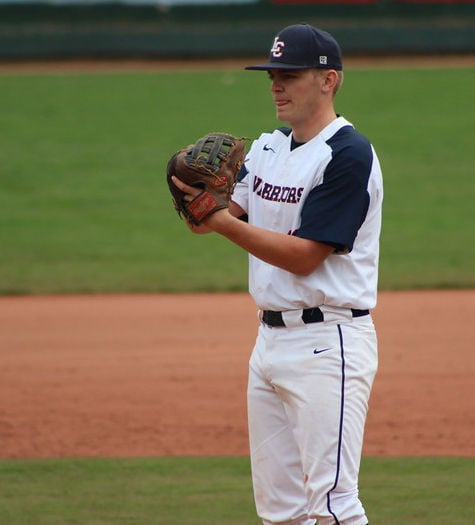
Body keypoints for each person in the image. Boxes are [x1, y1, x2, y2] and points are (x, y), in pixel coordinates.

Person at [172, 23, 383, 525]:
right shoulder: (267, 147)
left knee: (333, 506)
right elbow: (216, 222)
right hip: (268, 345)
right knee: (281, 513)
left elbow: (305, 256)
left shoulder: (346, 155)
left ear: (328, 79)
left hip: (329, 343)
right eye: (272, 74)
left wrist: (218, 219)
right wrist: (192, 199)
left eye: (289, 75)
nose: (275, 85)